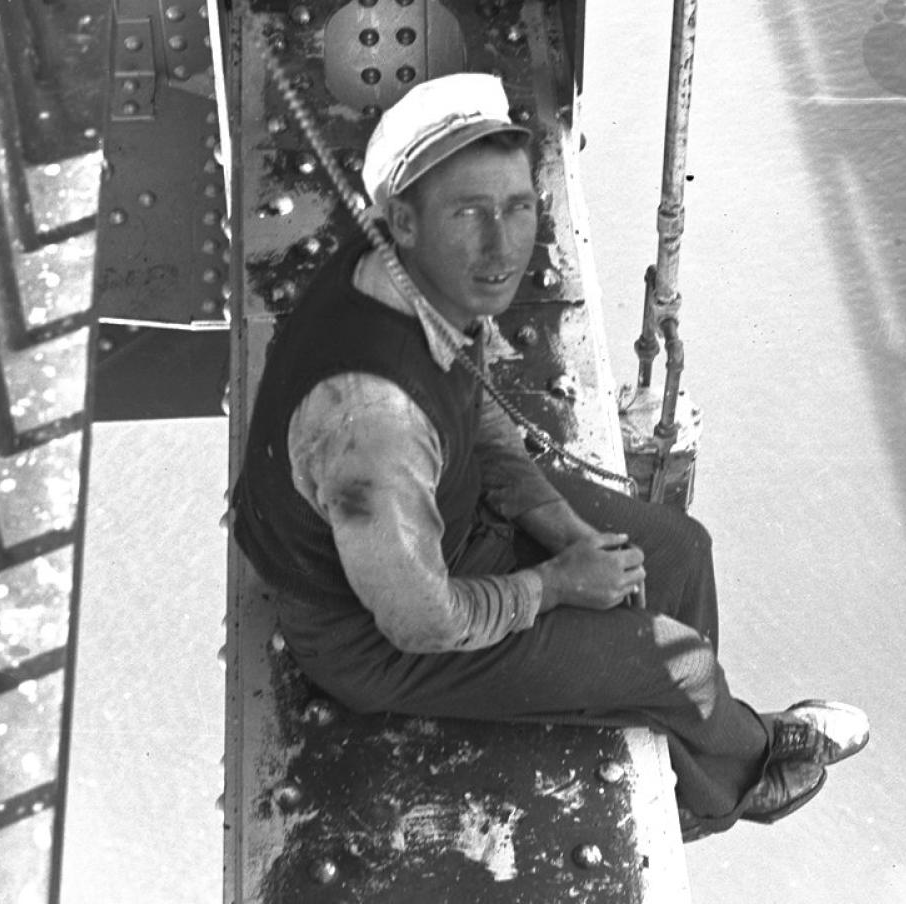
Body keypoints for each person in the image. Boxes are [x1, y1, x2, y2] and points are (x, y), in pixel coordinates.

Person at [230, 71, 869, 840]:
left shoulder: (416, 274)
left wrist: (566, 529)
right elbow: (421, 622)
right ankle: (732, 777)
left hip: (448, 526)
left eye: (518, 207)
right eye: (469, 213)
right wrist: (558, 585)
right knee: (675, 664)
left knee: (677, 549)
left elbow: (477, 411)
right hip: (369, 631)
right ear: (402, 219)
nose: (503, 246)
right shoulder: (376, 422)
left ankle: (696, 757)